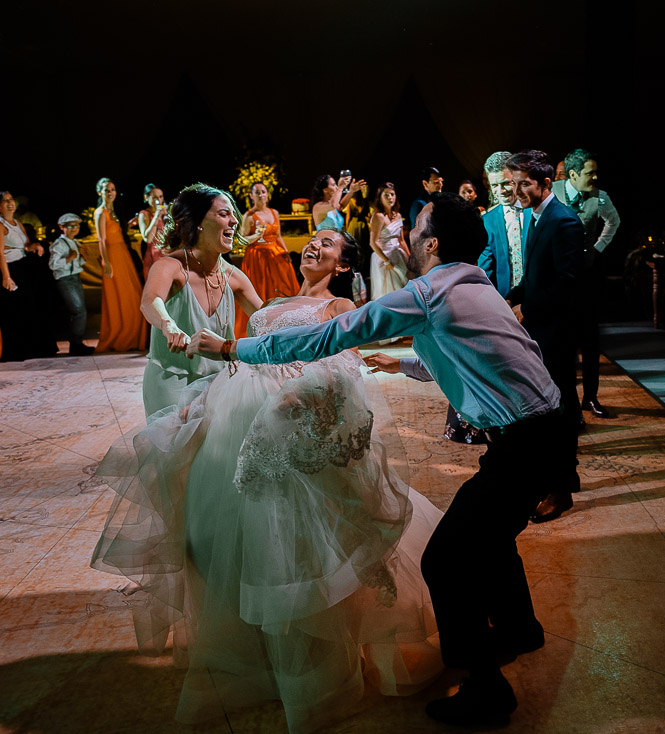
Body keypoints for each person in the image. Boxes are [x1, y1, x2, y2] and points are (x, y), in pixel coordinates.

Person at [188, 194, 578, 727]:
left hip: (525, 439)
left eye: (416, 228)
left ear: (432, 243)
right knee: (490, 534)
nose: (406, 236)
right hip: (544, 430)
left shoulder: (427, 291)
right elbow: (474, 348)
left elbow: (328, 336)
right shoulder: (471, 283)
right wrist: (405, 363)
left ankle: (487, 690)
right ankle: (518, 629)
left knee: (447, 558)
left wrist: (234, 350)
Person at [93, 227, 443, 733]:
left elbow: (342, 369)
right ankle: (253, 657)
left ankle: (313, 674)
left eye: (328, 244)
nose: (315, 245)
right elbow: (240, 357)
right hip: (233, 422)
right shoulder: (272, 298)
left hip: (288, 427)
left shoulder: (339, 305)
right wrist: (203, 398)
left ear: (344, 264)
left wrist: (299, 395)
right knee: (234, 541)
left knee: (295, 546)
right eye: (314, 239)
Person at [503, 149, 584, 522]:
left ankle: (561, 489)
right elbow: (537, 276)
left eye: (524, 183)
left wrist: (528, 309)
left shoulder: (564, 221)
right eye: (513, 183)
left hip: (557, 331)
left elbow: (569, 285)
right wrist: (512, 296)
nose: (516, 190)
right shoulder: (536, 215)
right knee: (550, 406)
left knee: (560, 408)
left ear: (546, 184)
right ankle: (562, 476)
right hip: (541, 328)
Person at [140, 183, 263, 418]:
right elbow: (150, 301)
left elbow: (264, 317)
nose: (234, 221)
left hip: (220, 383)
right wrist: (168, 324)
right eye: (223, 214)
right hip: (171, 380)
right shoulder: (169, 266)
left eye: (233, 215)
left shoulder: (234, 277)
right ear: (198, 223)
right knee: (175, 450)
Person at [552, 148, 621, 419]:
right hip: (557, 279)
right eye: (590, 172)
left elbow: (613, 223)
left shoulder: (600, 197)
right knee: (562, 342)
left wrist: (597, 248)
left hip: (586, 279)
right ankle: (562, 399)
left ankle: (590, 397)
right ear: (572, 174)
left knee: (591, 341)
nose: (595, 177)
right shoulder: (552, 192)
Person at [233, 181, 299, 338]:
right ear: (251, 196)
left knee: (282, 290)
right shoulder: (249, 216)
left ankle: (285, 327)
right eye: (257, 192)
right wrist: (256, 235)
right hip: (258, 257)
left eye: (263, 191)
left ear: (268, 194)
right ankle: (261, 328)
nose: (261, 194)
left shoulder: (274, 212)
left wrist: (286, 252)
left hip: (275, 256)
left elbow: (279, 236)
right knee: (261, 290)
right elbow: (241, 240)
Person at [1, 190, 58, 361]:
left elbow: (26, 245)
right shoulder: (1, 225)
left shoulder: (17, 222)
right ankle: (17, 351)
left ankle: (36, 347)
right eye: (5, 201)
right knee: (15, 311)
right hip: (10, 269)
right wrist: (6, 276)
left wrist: (35, 246)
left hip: (23, 267)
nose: (10, 203)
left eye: (11, 200)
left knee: (30, 308)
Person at [94, 177, 148, 353]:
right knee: (121, 298)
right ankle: (122, 337)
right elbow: (101, 239)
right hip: (113, 257)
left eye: (113, 189)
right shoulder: (101, 212)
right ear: (99, 192)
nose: (110, 193)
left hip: (123, 255)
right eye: (107, 190)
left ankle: (132, 337)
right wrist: (106, 262)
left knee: (135, 295)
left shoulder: (115, 212)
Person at [477, 151, 526, 299]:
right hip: (505, 302)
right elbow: (485, 270)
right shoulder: (488, 220)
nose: (501, 191)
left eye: (505, 183)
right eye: (494, 185)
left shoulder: (535, 211)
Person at [48, 212, 94, 355]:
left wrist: (82, 257)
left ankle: (77, 343)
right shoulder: (59, 244)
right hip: (66, 279)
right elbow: (53, 264)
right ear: (62, 227)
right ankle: (75, 344)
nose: (74, 228)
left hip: (75, 277)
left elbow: (78, 263)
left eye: (77, 226)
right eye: (71, 226)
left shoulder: (75, 242)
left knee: (80, 311)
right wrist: (69, 258)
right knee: (79, 311)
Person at [367, 182, 410, 305]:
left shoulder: (398, 216)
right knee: (387, 292)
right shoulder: (378, 216)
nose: (390, 198)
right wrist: (386, 261)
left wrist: (410, 257)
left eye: (392, 194)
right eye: (386, 195)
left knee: (403, 287)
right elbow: (373, 242)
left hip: (398, 254)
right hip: (383, 257)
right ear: (380, 197)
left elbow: (401, 240)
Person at [138, 183, 169, 279]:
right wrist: (156, 216)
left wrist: (168, 217)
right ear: (146, 197)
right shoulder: (144, 214)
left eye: (160, 196)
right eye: (155, 197)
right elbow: (148, 239)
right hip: (153, 254)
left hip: (166, 252)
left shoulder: (165, 213)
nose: (159, 200)